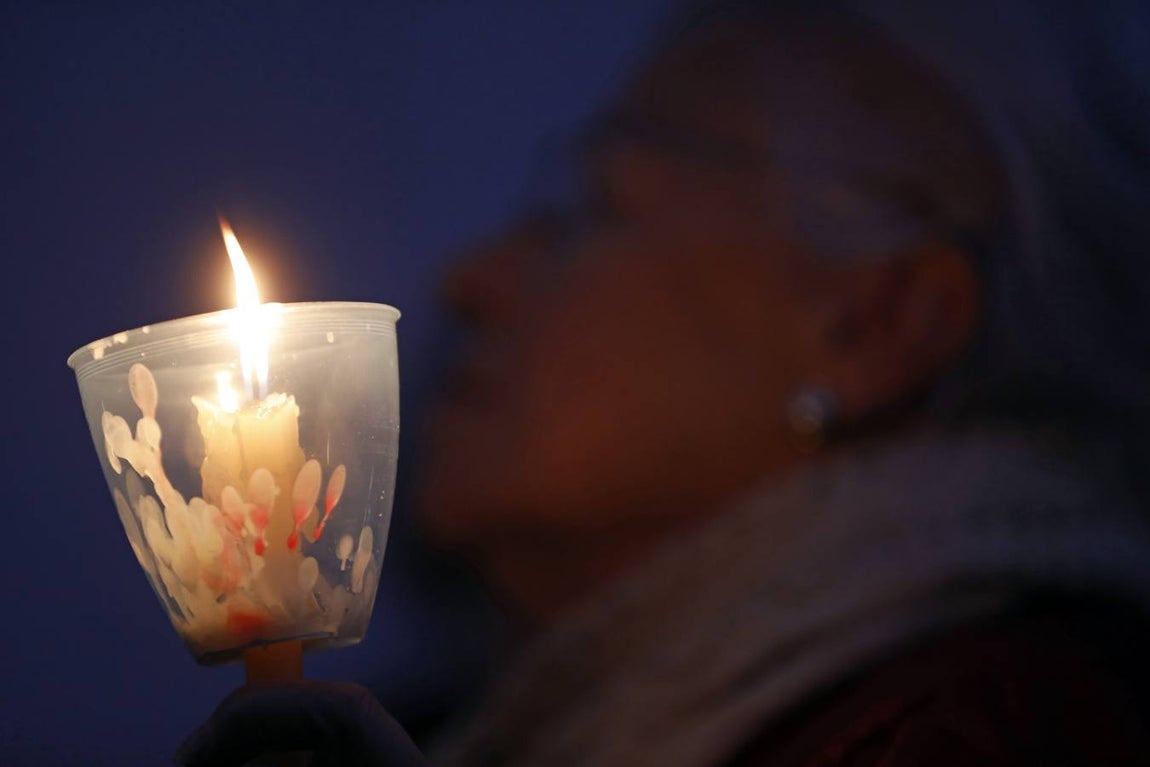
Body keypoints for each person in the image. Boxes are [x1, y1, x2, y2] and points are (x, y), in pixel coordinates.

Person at [176, 0, 1150, 764]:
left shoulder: (987, 727)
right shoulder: (448, 720)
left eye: (592, 208)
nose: (467, 277)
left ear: (874, 323)